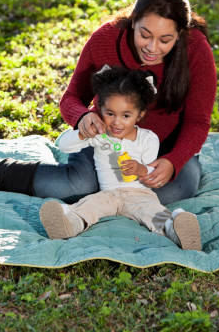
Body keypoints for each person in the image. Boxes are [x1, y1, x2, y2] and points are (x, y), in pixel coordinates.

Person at [0, 0, 216, 206]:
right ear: (133, 22)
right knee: (81, 186)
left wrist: (173, 161)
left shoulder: (197, 50)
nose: (152, 47)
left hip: (164, 149)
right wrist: (82, 117)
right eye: (145, 34)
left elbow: (197, 122)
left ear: (180, 34)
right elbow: (71, 98)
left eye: (165, 40)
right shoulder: (105, 39)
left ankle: (98, 203)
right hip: (103, 142)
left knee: (177, 190)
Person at [40, 66, 201, 249]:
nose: (116, 122)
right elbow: (63, 145)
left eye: (126, 116)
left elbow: (151, 171)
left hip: (139, 194)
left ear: (139, 115)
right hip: (107, 194)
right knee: (89, 206)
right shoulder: (100, 136)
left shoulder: (147, 139)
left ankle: (176, 228)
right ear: (100, 110)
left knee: (154, 213)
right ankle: (68, 224)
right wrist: (83, 134)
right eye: (110, 114)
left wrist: (140, 169)